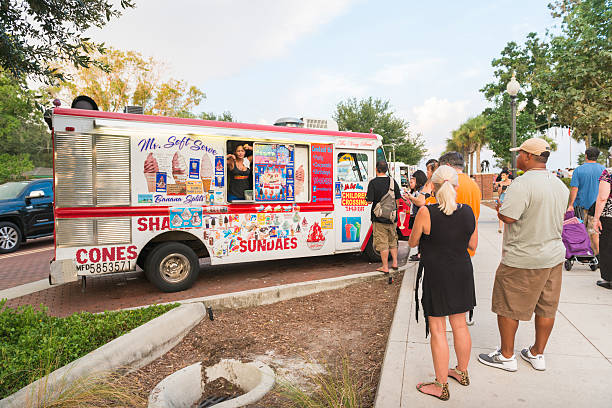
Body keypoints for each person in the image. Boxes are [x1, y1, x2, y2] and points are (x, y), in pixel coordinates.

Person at [478, 138, 568, 372]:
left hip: (523, 257)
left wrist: (500, 208)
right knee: (547, 307)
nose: (516, 158)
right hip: (553, 256)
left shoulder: (522, 184)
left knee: (508, 305)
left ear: (528, 156)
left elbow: (509, 217)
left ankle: (507, 356)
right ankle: (537, 353)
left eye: (519, 154)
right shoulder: (559, 185)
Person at [409, 165, 478, 401]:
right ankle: (462, 371)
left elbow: (412, 242)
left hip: (437, 274)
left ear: (433, 187)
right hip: (462, 272)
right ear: (456, 187)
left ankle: (440, 385)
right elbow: (473, 246)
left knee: (438, 329)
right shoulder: (468, 212)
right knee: (460, 325)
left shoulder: (426, 212)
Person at [567, 147, 605, 261]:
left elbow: (574, 188)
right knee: (595, 232)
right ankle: (598, 257)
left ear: (586, 155)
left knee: (581, 232)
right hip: (597, 207)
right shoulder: (603, 170)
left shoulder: (579, 170)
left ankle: (584, 255)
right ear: (597, 156)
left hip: (580, 206)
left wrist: (570, 204)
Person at [438, 152, 481, 255]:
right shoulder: (473, 184)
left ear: (447, 166)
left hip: (451, 247)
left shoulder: (449, 185)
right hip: (469, 244)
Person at [366, 160, 402, 274]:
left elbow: (369, 201)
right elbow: (397, 199)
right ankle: (395, 263)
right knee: (393, 240)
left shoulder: (373, 183)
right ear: (387, 169)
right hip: (392, 218)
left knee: (382, 242)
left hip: (379, 218)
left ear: (376, 169)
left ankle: (385, 267)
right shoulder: (392, 181)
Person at [593, 146, 612, 289]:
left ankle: (609, 278)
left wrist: (596, 218)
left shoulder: (608, 173)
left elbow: (603, 197)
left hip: (609, 216)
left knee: (607, 246)